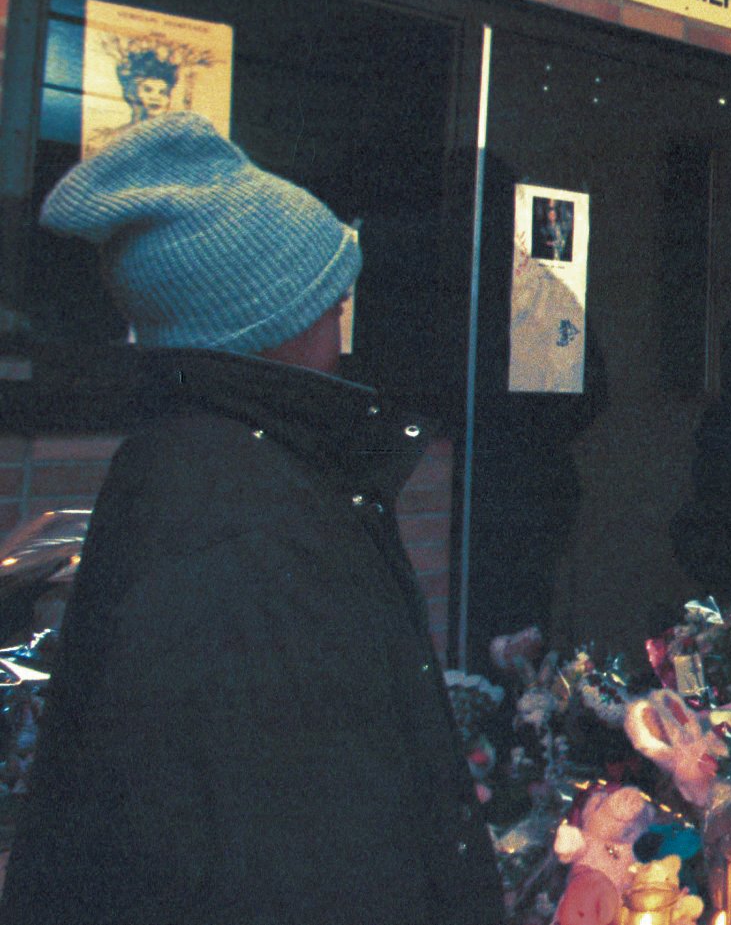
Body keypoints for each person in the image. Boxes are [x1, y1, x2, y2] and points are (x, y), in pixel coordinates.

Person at [2, 113, 502, 924]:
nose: (343, 332)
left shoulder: (207, 466)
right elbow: (275, 852)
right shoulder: (243, 525)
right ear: (264, 324)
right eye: (332, 307)